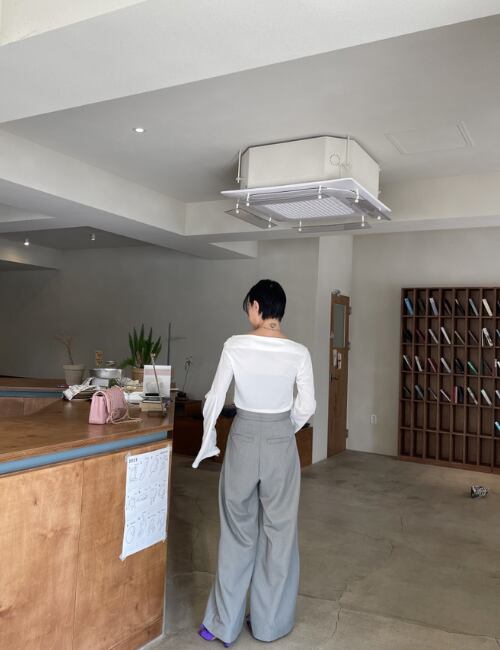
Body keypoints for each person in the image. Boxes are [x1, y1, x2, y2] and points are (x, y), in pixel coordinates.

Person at [193, 279, 316, 647]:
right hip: (281, 439)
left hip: (244, 437)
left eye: (249, 305)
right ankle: (269, 625)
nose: (248, 311)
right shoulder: (299, 352)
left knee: (237, 531)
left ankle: (222, 625)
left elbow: (216, 397)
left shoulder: (235, 345)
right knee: (280, 532)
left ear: (258, 307)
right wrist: (284, 429)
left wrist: (208, 442)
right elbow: (307, 406)